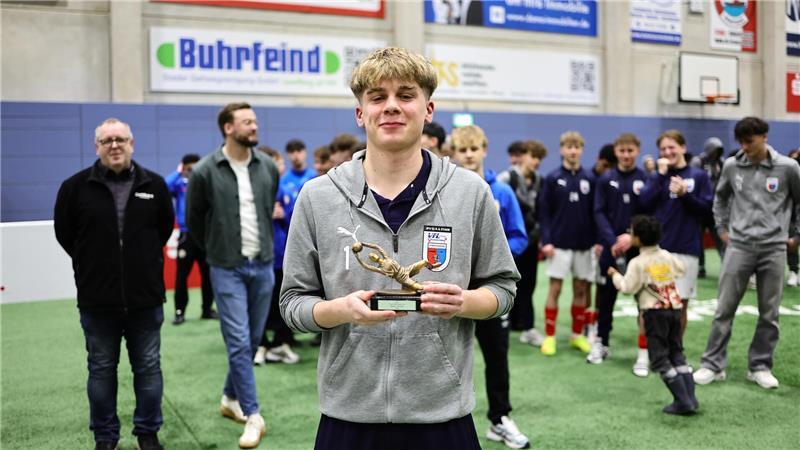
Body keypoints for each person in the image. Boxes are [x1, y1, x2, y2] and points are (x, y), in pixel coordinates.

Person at [280, 47, 520, 450]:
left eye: (406, 95)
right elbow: (292, 304)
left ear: (428, 110)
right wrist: (341, 310)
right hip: (349, 415)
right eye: (378, 97)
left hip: (442, 415)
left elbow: (504, 289)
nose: (391, 106)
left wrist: (463, 302)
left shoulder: (470, 193)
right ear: (361, 113)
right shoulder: (318, 197)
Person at [54, 118, 174, 450]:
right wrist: (92, 265)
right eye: (107, 141)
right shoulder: (74, 187)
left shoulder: (155, 185)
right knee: (101, 370)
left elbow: (164, 229)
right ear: (97, 147)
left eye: (121, 139)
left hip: (145, 299)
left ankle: (147, 432)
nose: (115, 145)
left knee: (148, 368)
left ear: (132, 143)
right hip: (97, 300)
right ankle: (105, 436)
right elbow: (65, 235)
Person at [186, 102, 280, 448]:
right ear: (228, 128)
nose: (254, 127)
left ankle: (229, 397)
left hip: (263, 264)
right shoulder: (204, 171)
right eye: (246, 122)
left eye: (255, 121)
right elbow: (194, 222)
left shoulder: (267, 166)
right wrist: (217, 250)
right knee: (240, 341)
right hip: (226, 267)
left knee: (252, 339)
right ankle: (253, 414)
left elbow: (268, 207)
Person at [694, 117, 800, 390]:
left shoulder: (788, 168)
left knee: (769, 313)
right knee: (723, 309)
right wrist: (721, 229)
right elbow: (720, 198)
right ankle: (713, 365)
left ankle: (760, 366)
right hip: (738, 246)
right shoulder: (732, 166)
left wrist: (796, 236)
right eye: (740, 142)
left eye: (749, 141)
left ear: (764, 137)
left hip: (773, 248)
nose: (744, 147)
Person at [451, 124, 530, 450]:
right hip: (451, 288)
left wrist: (492, 256)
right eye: (463, 150)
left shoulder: (503, 192)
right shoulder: (447, 190)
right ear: (454, 153)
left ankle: (499, 419)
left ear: (484, 150)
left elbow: (520, 237)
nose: (469, 155)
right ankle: (445, 421)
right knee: (446, 355)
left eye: (474, 149)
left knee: (496, 354)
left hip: (488, 290)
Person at [608, 215, 699, 415]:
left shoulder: (638, 262)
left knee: (659, 358)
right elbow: (681, 269)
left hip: (655, 313)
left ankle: (682, 401)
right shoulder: (666, 255)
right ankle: (691, 398)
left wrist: (615, 275)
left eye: (631, 232)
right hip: (675, 309)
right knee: (677, 353)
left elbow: (627, 287)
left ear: (638, 239)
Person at [638, 130, 713, 345]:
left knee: (680, 305)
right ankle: (649, 352)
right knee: (650, 304)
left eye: (672, 147)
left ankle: (674, 351)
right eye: (663, 149)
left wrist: (684, 195)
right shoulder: (657, 177)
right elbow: (643, 203)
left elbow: (706, 211)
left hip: (686, 249)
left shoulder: (698, 176)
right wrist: (659, 175)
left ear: (683, 148)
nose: (667, 152)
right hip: (657, 250)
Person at [589, 133, 649, 371]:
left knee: (644, 302)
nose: (626, 155)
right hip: (611, 250)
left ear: (637, 151)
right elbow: (598, 211)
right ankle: (601, 342)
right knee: (605, 300)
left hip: (639, 251)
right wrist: (612, 239)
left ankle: (644, 351)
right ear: (615, 152)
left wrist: (633, 237)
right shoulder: (605, 179)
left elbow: (650, 212)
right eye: (622, 151)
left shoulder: (646, 179)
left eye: (630, 151)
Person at [538, 131, 597, 356]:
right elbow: (544, 213)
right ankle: (550, 336)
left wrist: (597, 241)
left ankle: (577, 335)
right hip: (558, 245)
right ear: (562, 150)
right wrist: (547, 241)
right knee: (555, 289)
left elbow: (595, 213)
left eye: (577, 147)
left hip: (584, 245)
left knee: (581, 289)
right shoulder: (552, 178)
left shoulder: (590, 178)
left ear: (582, 150)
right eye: (569, 147)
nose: (573, 151)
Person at [251, 146, 300, 365]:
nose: (281, 166)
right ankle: (259, 345)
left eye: (280, 162)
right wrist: (264, 214)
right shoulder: (251, 188)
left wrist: (281, 216)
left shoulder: (284, 189)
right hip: (257, 258)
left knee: (281, 302)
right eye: (277, 162)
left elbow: (295, 223)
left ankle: (280, 344)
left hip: (281, 256)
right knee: (257, 304)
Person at [498, 140, 548, 346]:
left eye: (539, 158)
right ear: (522, 156)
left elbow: (542, 211)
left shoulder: (540, 180)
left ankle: (528, 327)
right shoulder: (506, 178)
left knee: (529, 285)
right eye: (533, 156)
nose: (536, 161)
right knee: (505, 283)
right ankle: (502, 324)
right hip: (509, 242)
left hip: (531, 242)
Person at [165, 153, 217, 325]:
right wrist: (178, 172)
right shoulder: (179, 183)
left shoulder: (205, 182)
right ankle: (179, 311)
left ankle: (207, 309)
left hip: (205, 235)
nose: (193, 171)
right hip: (186, 236)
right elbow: (164, 187)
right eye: (189, 168)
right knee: (182, 275)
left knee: (208, 274)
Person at [690, 137, 726, 278]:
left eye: (718, 150)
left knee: (719, 235)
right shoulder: (698, 161)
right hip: (701, 206)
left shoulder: (721, 163)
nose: (716, 153)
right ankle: (700, 267)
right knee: (697, 238)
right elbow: (692, 181)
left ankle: (726, 263)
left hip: (715, 207)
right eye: (714, 150)